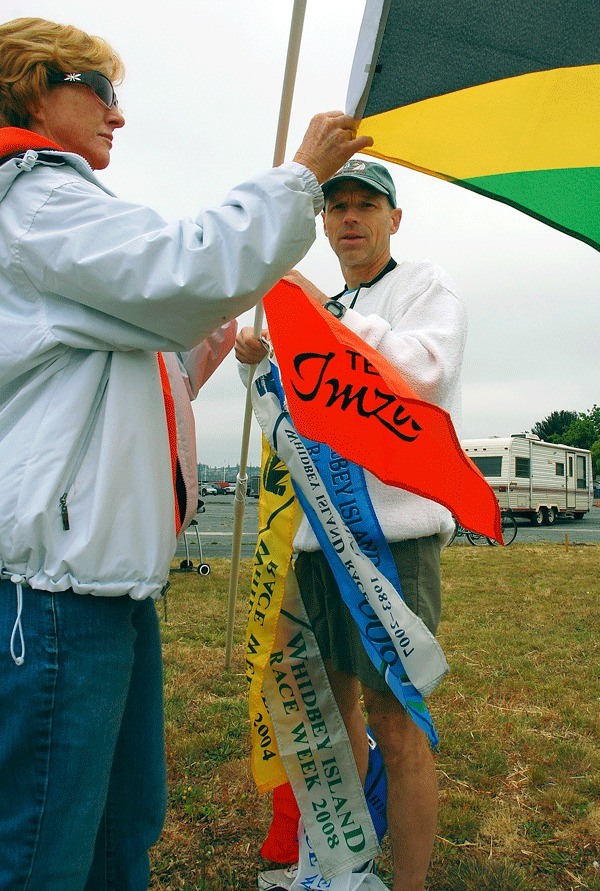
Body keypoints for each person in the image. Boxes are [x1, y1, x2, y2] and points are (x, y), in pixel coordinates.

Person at [0, 16, 372, 890]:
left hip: (106, 586)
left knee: (120, 829)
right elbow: (183, 268)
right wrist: (298, 182)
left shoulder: (51, 209)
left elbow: (113, 364)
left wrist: (192, 353)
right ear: (34, 83)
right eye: (103, 91)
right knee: (45, 850)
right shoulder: (34, 199)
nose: (118, 117)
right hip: (58, 593)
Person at [235, 159, 467, 891]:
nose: (349, 219)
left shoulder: (424, 286)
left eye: (366, 205)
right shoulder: (320, 302)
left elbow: (420, 374)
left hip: (393, 543)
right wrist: (255, 367)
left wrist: (329, 317)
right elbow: (291, 423)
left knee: (396, 724)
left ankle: (411, 885)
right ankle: (345, 871)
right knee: (335, 730)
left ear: (394, 218)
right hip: (318, 541)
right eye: (335, 208)